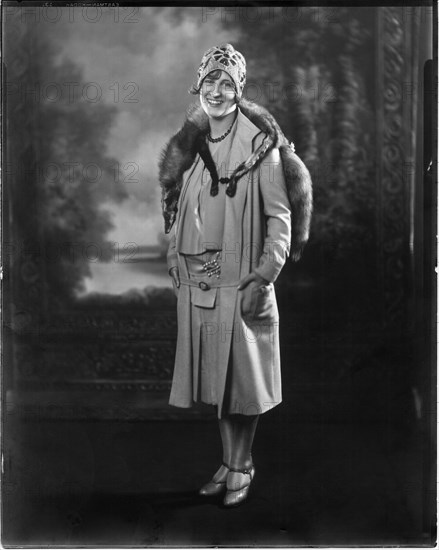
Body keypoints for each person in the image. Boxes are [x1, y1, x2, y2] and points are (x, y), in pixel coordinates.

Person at [159, 43, 312, 507]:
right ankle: (228, 463)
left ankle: (243, 466)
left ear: (240, 89)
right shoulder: (194, 145)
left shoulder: (261, 149)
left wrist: (264, 275)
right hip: (202, 282)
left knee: (244, 387)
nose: (218, 92)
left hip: (244, 283)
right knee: (220, 386)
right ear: (198, 86)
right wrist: (173, 255)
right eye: (211, 82)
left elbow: (280, 219)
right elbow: (179, 208)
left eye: (228, 83)